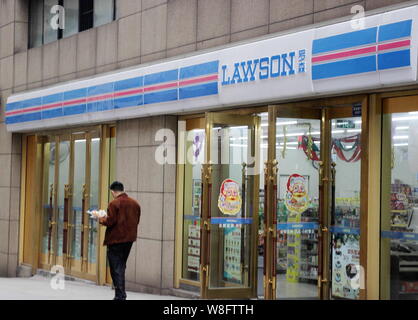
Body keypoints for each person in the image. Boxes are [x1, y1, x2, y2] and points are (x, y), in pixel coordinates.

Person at [98, 181, 141, 300]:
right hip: (129, 239)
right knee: (121, 266)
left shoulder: (114, 203)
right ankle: (120, 294)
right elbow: (137, 221)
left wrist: (101, 219)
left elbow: (110, 221)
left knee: (115, 268)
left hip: (115, 240)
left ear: (113, 191)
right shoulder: (135, 203)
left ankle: (120, 295)